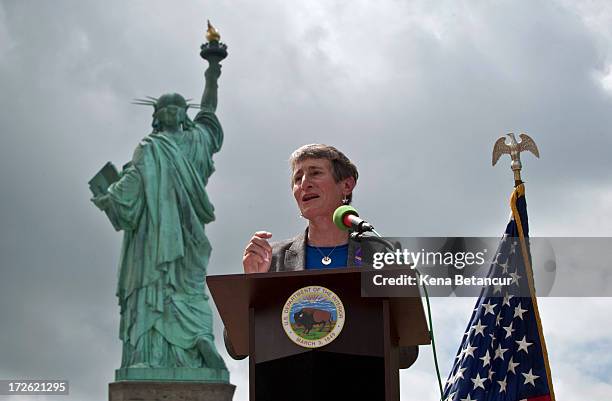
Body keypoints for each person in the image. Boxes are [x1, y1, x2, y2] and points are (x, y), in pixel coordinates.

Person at [91, 63, 228, 379]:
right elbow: (133, 184)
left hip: (185, 234)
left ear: (183, 113)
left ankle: (198, 341)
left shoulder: (196, 142)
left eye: (175, 106)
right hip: (153, 235)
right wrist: (111, 197)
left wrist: (211, 74)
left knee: (187, 289)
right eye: (164, 107)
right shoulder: (149, 147)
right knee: (157, 286)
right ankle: (152, 355)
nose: (169, 111)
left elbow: (208, 111)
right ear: (157, 114)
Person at [226, 144, 417, 368]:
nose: (304, 183)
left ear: (346, 185)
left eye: (315, 172)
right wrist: (253, 284)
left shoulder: (381, 255)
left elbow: (406, 354)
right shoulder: (273, 259)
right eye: (298, 178)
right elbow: (237, 349)